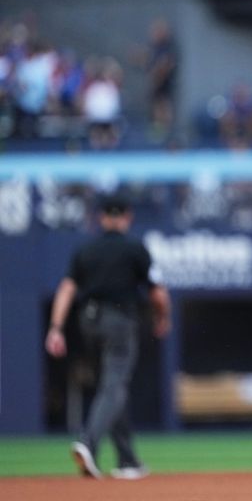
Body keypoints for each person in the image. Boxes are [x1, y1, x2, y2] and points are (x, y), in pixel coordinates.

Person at [44, 192, 171, 480]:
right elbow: (158, 292)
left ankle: (127, 460)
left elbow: (66, 289)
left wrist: (55, 327)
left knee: (111, 387)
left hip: (88, 322)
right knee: (114, 385)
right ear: (127, 217)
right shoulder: (135, 248)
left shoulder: (85, 249)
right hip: (119, 320)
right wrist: (163, 317)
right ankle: (87, 443)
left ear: (101, 218)